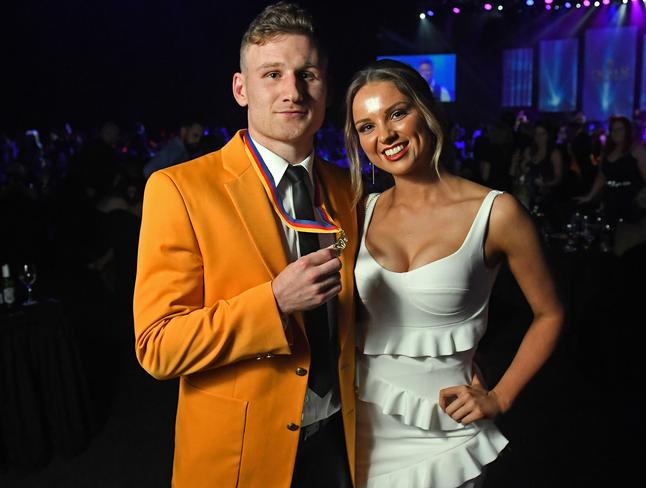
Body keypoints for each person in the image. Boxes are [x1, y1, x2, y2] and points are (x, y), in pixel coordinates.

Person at [134, 3, 358, 488]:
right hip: (241, 455)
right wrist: (273, 304)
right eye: (272, 74)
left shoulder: (348, 189)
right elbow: (157, 346)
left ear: (326, 88)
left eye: (308, 75)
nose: (292, 91)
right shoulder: (180, 189)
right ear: (241, 88)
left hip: (344, 440)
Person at [344, 59, 564, 488]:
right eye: (365, 126)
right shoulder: (358, 212)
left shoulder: (496, 213)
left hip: (448, 431)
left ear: (425, 111)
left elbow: (550, 313)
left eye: (396, 113)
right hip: (361, 428)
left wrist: (500, 395)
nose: (384, 135)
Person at [576, 115, 646, 254]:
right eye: (613, 130)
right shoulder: (607, 151)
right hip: (611, 199)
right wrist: (589, 196)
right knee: (609, 237)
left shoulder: (638, 150)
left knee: (629, 241)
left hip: (631, 200)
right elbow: (601, 177)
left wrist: (645, 197)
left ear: (627, 131)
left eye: (620, 129)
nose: (616, 133)